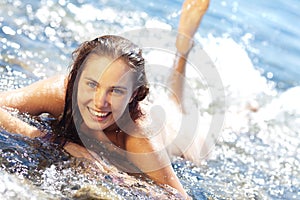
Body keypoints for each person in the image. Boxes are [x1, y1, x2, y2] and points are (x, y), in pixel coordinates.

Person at [0, 0, 210, 198]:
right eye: (92, 85)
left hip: (176, 135)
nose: (100, 101)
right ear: (76, 79)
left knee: (179, 112)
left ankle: (183, 47)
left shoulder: (139, 139)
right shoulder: (60, 92)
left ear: (134, 95)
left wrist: (116, 177)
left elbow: (179, 197)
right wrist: (55, 140)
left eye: (115, 91)